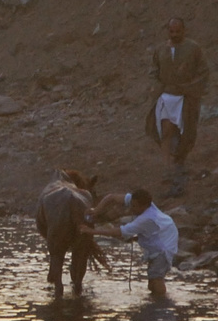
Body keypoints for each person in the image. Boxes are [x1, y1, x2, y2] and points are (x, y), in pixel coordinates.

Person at [143, 17, 209, 197]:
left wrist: (189, 88)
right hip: (166, 96)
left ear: (184, 31)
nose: (174, 35)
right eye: (171, 31)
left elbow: (203, 72)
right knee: (166, 131)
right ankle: (168, 167)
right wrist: (158, 88)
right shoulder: (160, 50)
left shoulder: (193, 49)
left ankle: (180, 161)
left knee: (185, 132)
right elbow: (153, 73)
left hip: (186, 97)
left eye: (177, 31)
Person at [83, 187, 179, 298]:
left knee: (156, 277)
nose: (131, 209)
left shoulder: (146, 219)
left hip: (164, 246)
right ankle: (155, 300)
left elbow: (119, 232)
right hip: (162, 232)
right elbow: (112, 197)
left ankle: (163, 305)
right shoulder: (142, 203)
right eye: (131, 204)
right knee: (151, 282)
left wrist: (92, 231)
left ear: (144, 206)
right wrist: (96, 210)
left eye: (134, 206)